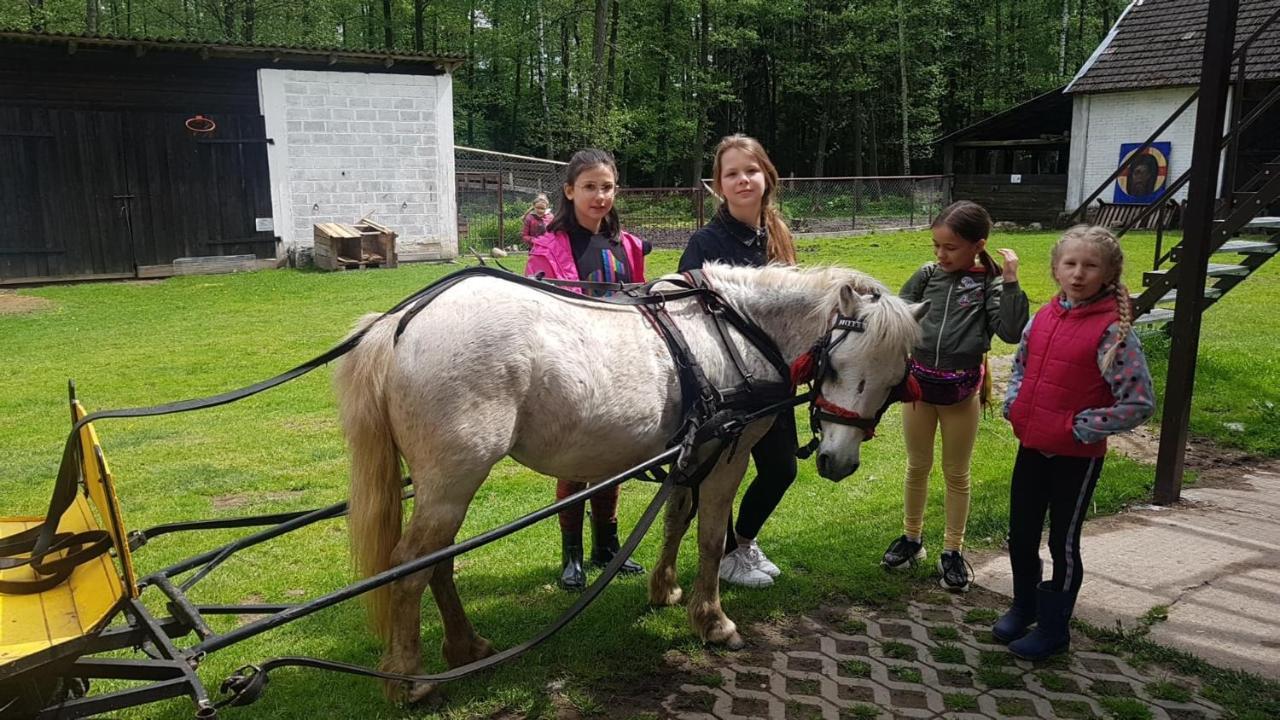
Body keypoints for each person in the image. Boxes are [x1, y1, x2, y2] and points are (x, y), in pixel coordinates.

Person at [994, 225, 1155, 660]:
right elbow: (1021, 367)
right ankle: (1023, 607)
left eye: (1090, 266)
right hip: (1032, 447)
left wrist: (1079, 427)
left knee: (1062, 543)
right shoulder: (1043, 317)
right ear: (1055, 269)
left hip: (1075, 457)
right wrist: (1016, 404)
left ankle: (1053, 629)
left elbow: (1138, 402)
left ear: (1108, 274)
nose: (1079, 274)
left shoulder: (1113, 333)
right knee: (1021, 535)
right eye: (1070, 264)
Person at [882, 200, 1029, 593]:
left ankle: (952, 550)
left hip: (962, 393)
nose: (940, 254)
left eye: (950, 247)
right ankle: (912, 540)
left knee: (956, 473)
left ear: (977, 245)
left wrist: (1011, 280)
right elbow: (896, 316)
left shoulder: (989, 284)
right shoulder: (927, 275)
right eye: (936, 245)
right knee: (917, 466)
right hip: (919, 390)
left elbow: (1012, 332)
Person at [524, 149, 648, 591]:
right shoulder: (548, 248)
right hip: (573, 366)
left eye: (607, 187)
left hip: (619, 364)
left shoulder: (628, 245)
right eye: (590, 187)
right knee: (575, 462)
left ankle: (607, 548)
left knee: (613, 459)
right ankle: (571, 555)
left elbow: (637, 302)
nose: (599, 196)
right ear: (570, 190)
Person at [678, 134, 798, 589]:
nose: (742, 180)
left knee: (781, 469)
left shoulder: (779, 233)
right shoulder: (705, 241)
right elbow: (685, 309)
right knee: (721, 473)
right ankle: (726, 552)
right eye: (732, 174)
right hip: (727, 383)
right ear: (719, 186)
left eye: (750, 171)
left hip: (775, 379)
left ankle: (741, 543)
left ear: (766, 176)